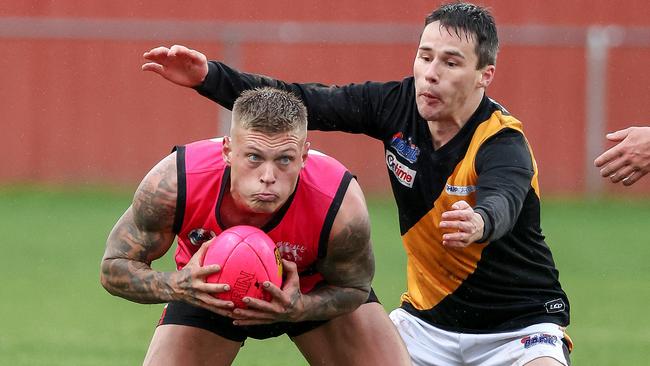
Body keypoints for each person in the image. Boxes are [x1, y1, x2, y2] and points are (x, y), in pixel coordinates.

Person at [141, 3, 573, 365]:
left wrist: (480, 221)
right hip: (427, 321)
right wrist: (209, 78)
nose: (431, 73)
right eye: (425, 56)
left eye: (451, 62)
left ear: (485, 74)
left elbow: (506, 197)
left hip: (520, 327)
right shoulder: (396, 104)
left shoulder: (502, 141)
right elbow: (304, 100)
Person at [100, 87, 411, 366]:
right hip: (207, 291)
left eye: (285, 160)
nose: (268, 175)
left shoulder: (339, 202)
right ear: (227, 151)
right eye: (253, 157)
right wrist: (179, 285)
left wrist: (300, 307)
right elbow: (114, 267)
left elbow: (354, 288)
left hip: (310, 288)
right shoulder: (175, 182)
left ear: (303, 156)